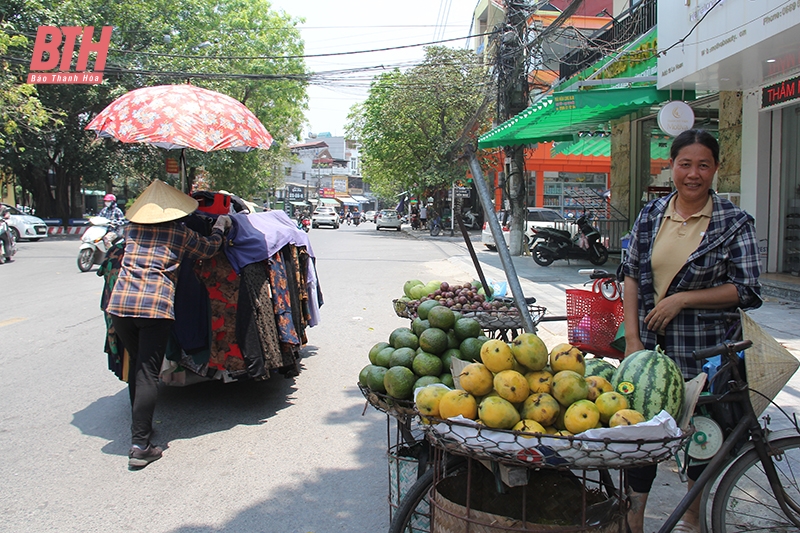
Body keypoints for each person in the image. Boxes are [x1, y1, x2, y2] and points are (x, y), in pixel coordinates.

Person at [621, 129, 762, 533]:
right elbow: (631, 275)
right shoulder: (652, 214)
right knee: (641, 434)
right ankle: (634, 514)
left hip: (708, 351)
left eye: (703, 165)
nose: (693, 174)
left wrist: (683, 299)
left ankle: (692, 515)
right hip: (650, 348)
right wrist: (633, 340)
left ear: (716, 168)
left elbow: (748, 289)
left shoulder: (733, 223)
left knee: (704, 434)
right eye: (685, 164)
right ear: (672, 166)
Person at [105, 179, 231, 470]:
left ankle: (143, 430)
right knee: (148, 372)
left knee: (138, 365)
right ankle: (140, 445)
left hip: (121, 307)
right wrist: (220, 228)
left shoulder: (130, 229)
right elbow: (209, 249)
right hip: (154, 307)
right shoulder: (178, 232)